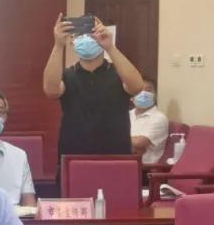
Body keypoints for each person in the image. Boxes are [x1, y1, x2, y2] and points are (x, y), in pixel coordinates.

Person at [43, 14, 143, 162]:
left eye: (92, 31)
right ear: (73, 41)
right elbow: (51, 91)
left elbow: (137, 87)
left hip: (115, 155)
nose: (87, 37)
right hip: (74, 156)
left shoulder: (119, 73)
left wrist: (110, 47)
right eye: (80, 34)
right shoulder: (67, 75)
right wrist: (58, 45)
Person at [130, 78, 169, 164]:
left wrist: (119, 139)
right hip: (124, 161)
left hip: (143, 167)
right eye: (139, 91)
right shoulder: (127, 115)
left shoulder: (159, 118)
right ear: (131, 96)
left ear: (155, 96)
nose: (143, 94)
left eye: (148, 90)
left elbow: (139, 143)